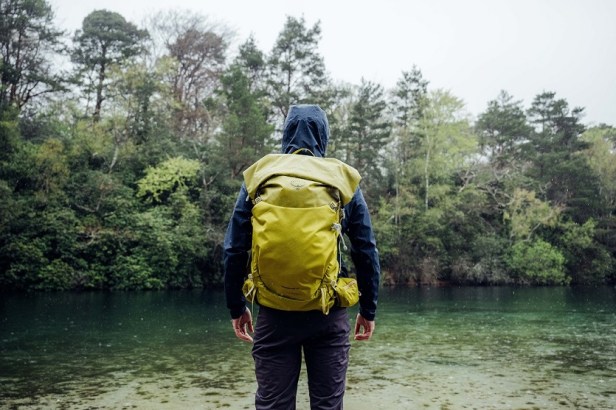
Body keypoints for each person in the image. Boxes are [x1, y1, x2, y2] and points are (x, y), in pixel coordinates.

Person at [224, 104, 380, 410]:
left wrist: (236, 307)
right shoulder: (341, 179)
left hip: (274, 312)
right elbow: (365, 249)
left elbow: (234, 249)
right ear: (324, 136)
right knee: (327, 405)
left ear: (286, 134)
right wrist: (368, 309)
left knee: (273, 405)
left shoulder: (260, 176)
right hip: (328, 312)